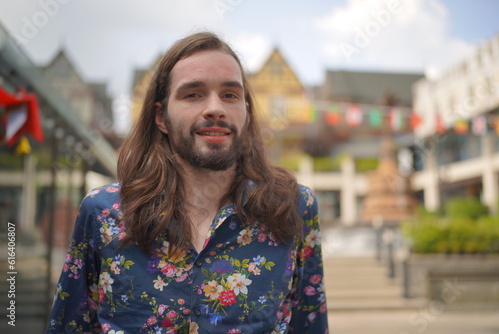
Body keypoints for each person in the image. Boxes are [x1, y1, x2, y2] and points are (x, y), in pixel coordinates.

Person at [46, 31, 328, 334]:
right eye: (193, 94)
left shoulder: (294, 208)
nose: (215, 108)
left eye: (230, 95)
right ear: (161, 117)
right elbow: (69, 326)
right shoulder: (102, 213)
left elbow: (310, 325)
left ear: (246, 112)